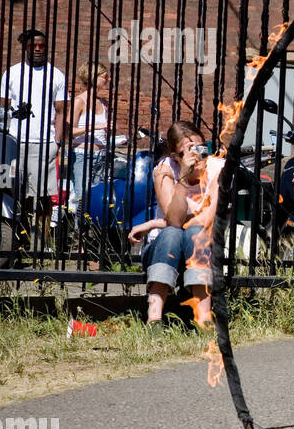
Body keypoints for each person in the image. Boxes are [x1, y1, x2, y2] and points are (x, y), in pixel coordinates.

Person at [127, 120, 221, 327]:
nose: (196, 156)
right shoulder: (165, 169)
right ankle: (154, 319)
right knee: (172, 234)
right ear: (175, 156)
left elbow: (207, 219)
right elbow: (176, 221)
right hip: (163, 249)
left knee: (195, 231)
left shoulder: (217, 169)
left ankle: (203, 319)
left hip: (201, 247)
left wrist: (154, 223)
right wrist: (184, 181)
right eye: (186, 152)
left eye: (200, 148)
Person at [0, 29, 67, 224]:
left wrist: (57, 142)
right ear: (25, 47)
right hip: (14, 141)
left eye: (41, 46)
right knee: (15, 193)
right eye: (33, 46)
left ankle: (39, 244)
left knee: (44, 195)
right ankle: (18, 237)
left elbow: (61, 111)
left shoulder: (56, 75)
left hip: (44, 142)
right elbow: (2, 109)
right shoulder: (11, 73)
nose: (38, 49)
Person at [67, 68, 111, 214]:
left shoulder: (103, 102)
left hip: (101, 156)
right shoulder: (79, 101)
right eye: (105, 76)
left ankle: (92, 232)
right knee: (83, 197)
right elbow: (69, 131)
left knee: (97, 197)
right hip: (82, 155)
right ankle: (79, 232)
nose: (108, 79)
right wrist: (95, 127)